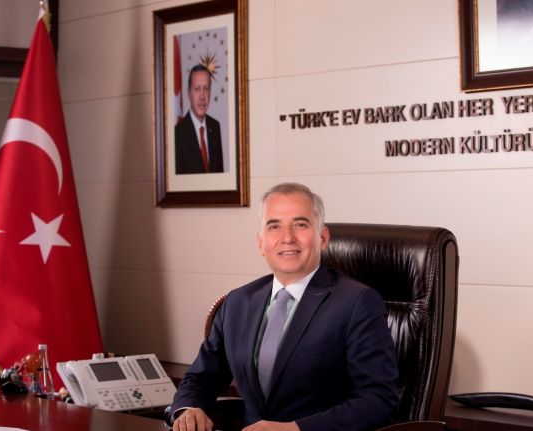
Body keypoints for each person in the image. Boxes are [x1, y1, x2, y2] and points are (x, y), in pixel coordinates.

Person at [169, 183, 398, 431]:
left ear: (323, 238)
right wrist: (189, 409)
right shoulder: (237, 302)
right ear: (261, 242)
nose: (287, 238)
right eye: (274, 226)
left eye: (300, 224)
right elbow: (201, 377)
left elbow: (379, 400)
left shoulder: (357, 302)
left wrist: (295, 429)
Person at [175, 64, 224, 174]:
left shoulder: (215, 127)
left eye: (206, 88)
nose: (202, 96)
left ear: (210, 92)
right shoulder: (177, 134)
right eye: (197, 89)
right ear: (189, 94)